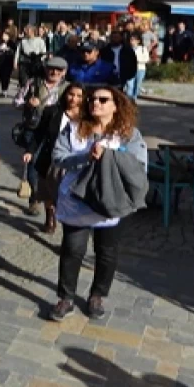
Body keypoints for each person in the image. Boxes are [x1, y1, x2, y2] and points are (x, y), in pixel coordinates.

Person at [50, 87, 147, 321]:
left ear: (116, 105)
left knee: (106, 252)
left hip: (110, 200)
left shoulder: (128, 134)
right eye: (92, 99)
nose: (96, 103)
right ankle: (66, 297)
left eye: (103, 100)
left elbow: (139, 164)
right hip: (77, 200)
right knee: (73, 249)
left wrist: (110, 156)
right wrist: (85, 157)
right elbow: (58, 156)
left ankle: (97, 295)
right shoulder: (74, 128)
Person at [23, 83, 84, 231]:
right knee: (49, 189)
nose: (74, 99)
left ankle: (69, 221)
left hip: (76, 159)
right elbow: (40, 133)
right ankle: (50, 216)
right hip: (51, 157)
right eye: (71, 94)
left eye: (79, 96)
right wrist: (30, 151)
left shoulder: (87, 115)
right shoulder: (53, 111)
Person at [124, 33, 148, 100]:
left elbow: (146, 59)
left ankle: (134, 99)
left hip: (140, 69)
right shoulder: (127, 49)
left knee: (137, 85)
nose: (132, 41)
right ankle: (128, 100)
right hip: (130, 69)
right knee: (130, 86)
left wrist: (138, 60)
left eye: (133, 40)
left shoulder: (143, 48)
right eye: (131, 40)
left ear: (138, 41)